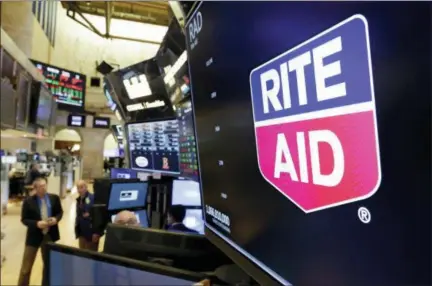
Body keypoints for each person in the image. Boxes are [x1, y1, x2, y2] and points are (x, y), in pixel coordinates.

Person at [18, 177, 63, 286]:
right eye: (41, 186)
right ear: (35, 188)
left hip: (49, 235)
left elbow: (60, 212)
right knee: (26, 267)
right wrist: (37, 224)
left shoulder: (54, 198)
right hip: (34, 236)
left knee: (48, 265)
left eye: (45, 185)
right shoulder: (28, 201)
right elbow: (24, 219)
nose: (44, 188)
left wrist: (55, 219)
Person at [75, 180, 101, 251]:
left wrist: (97, 232)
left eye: (81, 187)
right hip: (81, 233)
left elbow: (99, 217)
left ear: (86, 187)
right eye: (78, 188)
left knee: (91, 256)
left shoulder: (93, 199)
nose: (79, 190)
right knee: (82, 254)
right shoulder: (79, 199)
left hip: (91, 234)